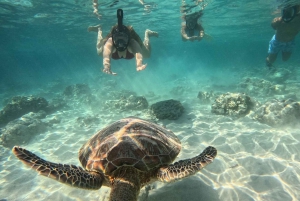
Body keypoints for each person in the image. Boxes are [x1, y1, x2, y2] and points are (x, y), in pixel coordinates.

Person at [88, 9, 158, 75]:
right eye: (117, 38)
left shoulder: (132, 42)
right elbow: (106, 57)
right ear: (113, 38)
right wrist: (107, 67)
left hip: (134, 43)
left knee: (147, 55)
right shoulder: (110, 42)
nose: (120, 42)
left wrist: (139, 64)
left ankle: (147, 33)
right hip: (114, 44)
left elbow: (138, 54)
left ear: (128, 38)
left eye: (123, 38)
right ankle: (99, 30)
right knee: (100, 52)